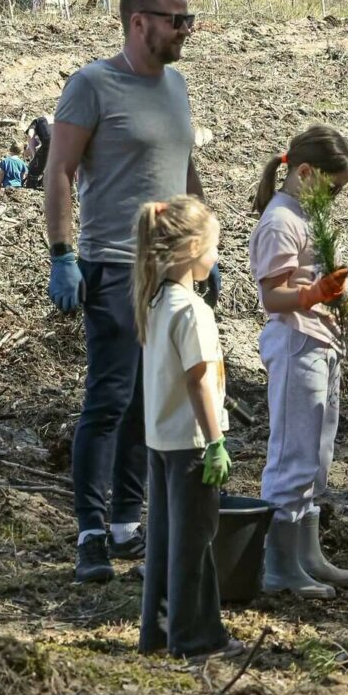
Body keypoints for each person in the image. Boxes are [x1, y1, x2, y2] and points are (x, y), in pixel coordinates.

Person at [45, 0, 215, 584]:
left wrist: (203, 249)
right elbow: (59, 171)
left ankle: (126, 522)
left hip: (172, 270)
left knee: (154, 398)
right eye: (176, 20)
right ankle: (90, 533)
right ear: (139, 22)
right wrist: (62, 253)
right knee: (110, 398)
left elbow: (185, 167)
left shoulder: (178, 87)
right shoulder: (92, 85)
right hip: (114, 264)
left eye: (187, 19)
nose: (186, 29)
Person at [248, 125, 348, 599]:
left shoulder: (307, 214)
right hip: (296, 342)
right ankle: (279, 566)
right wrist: (315, 293)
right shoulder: (280, 220)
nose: (334, 196)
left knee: (317, 454)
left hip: (321, 340)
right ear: (304, 171)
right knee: (293, 454)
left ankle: (307, 554)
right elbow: (272, 294)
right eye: (332, 187)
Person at [132, 195, 241, 660]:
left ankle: (156, 630)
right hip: (193, 445)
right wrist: (216, 442)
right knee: (194, 544)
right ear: (193, 249)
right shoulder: (192, 311)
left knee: (162, 541)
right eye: (214, 247)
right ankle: (196, 637)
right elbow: (199, 382)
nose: (216, 257)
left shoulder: (156, 300)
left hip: (161, 440)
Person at [26, 113, 54, 190]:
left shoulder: (37, 120)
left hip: (49, 142)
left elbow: (30, 135)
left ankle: (31, 187)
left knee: (33, 168)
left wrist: (34, 155)